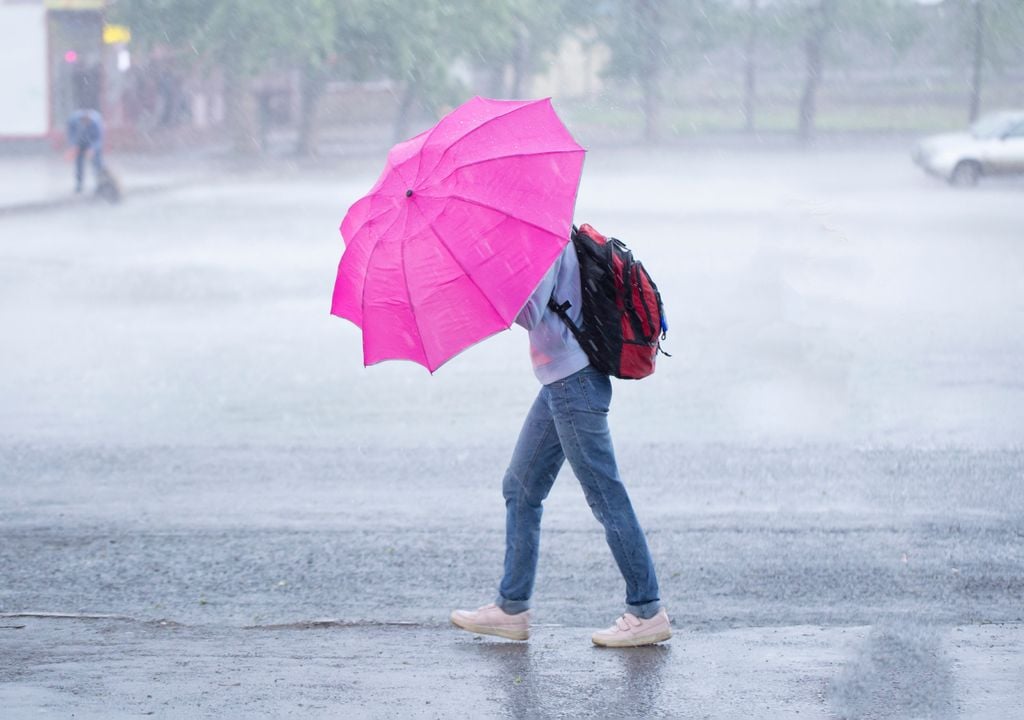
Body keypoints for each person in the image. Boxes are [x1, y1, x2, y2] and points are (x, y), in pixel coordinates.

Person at [450, 240, 671, 648]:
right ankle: (511, 608)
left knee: (606, 496)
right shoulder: (537, 239)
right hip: (560, 384)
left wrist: (487, 280)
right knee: (520, 487)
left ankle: (647, 610)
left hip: (575, 385)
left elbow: (532, 311)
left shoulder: (544, 242)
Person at [66, 109, 105, 194]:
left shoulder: (96, 122)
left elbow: (98, 139)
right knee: (79, 164)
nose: (85, 125)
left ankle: (100, 184)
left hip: (92, 143)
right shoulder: (73, 120)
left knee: (97, 164)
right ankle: (79, 185)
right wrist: (73, 145)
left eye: (88, 124)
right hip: (79, 143)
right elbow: (70, 133)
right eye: (84, 123)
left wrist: (92, 149)